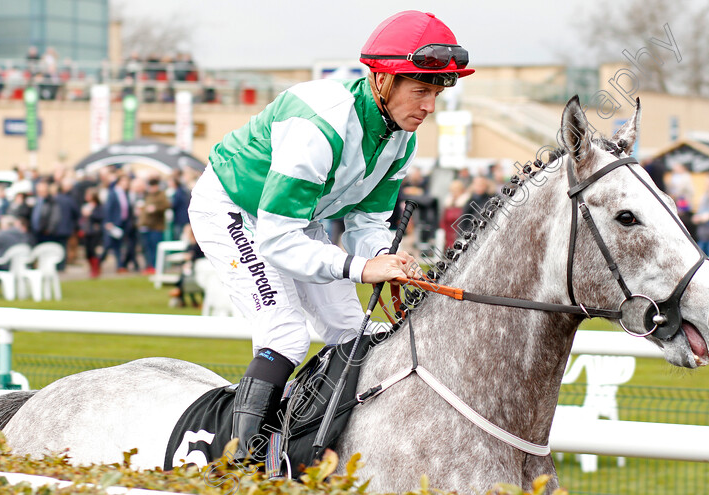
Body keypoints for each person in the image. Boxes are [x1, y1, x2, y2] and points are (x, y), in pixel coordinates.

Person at [187, 10, 473, 461]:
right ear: (381, 81)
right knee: (284, 334)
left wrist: (387, 260)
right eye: (421, 91)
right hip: (235, 210)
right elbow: (277, 242)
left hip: (299, 219)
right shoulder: (320, 123)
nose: (429, 107)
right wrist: (361, 267)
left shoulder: (400, 137)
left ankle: (320, 444)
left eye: (437, 93)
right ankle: (237, 464)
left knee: (352, 331)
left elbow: (367, 223)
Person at [138, 177, 171, 274]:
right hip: (146, 226)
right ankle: (150, 266)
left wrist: (155, 208)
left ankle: (157, 267)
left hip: (157, 227)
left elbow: (167, 206)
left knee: (156, 248)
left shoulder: (161, 195)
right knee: (147, 248)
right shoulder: (148, 195)